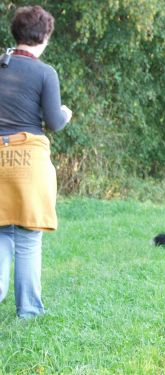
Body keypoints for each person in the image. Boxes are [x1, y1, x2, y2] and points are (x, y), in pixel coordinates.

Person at [0, 5, 72, 318]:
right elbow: (54, 122)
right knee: (28, 238)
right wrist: (66, 114)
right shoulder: (45, 73)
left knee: (1, 233)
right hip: (28, 160)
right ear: (44, 36)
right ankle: (28, 311)